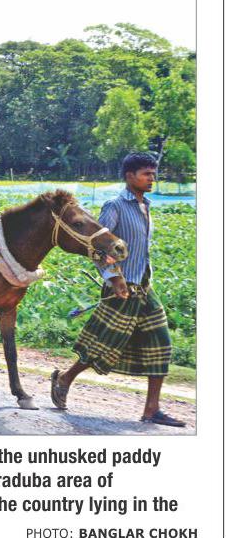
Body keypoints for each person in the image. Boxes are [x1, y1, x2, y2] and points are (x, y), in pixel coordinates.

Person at [50, 152, 185, 427]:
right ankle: (64, 378)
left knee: (161, 344)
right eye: (146, 174)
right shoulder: (115, 206)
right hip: (121, 288)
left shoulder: (146, 206)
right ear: (129, 176)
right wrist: (114, 278)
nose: (152, 178)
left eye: (153, 173)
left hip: (143, 287)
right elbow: (97, 247)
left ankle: (152, 410)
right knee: (103, 345)